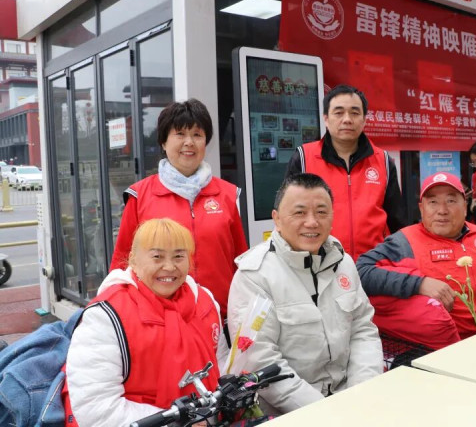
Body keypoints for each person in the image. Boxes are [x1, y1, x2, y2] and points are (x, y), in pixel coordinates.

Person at [227, 173, 383, 414]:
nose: (312, 222)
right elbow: (260, 361)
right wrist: (326, 413)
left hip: (350, 399)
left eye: (321, 212)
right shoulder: (254, 276)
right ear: (277, 219)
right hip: (289, 412)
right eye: (299, 213)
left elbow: (362, 330)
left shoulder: (343, 263)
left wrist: (361, 394)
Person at [64, 219, 225, 427]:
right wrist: (177, 423)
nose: (169, 267)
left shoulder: (205, 303)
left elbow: (221, 366)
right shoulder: (105, 317)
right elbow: (95, 408)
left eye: (178, 256)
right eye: (157, 257)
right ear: (133, 260)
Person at [356, 172, 476, 350]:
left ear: (465, 206)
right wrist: (419, 284)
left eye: (451, 200)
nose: (442, 210)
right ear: (421, 208)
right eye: (433, 202)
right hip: (433, 350)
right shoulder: (404, 241)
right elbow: (361, 271)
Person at [110, 99, 248, 319]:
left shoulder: (228, 195)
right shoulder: (140, 196)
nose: (189, 142)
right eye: (180, 134)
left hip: (220, 318)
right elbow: (122, 263)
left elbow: (241, 261)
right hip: (159, 319)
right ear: (164, 142)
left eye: (197, 135)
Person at [285, 84, 406, 260]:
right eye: (339, 112)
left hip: (373, 264)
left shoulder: (383, 161)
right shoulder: (303, 158)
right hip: (319, 263)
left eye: (355, 113)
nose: (347, 119)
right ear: (326, 119)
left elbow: (397, 220)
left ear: (364, 120)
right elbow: (288, 215)